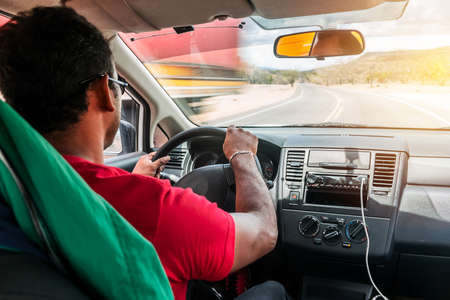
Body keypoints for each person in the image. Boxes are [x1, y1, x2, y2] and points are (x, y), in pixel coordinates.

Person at [0, 6, 289, 300]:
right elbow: (264, 233)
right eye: (119, 86)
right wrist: (242, 156)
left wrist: (133, 180)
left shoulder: (13, 193)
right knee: (273, 290)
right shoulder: (156, 208)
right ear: (102, 91)